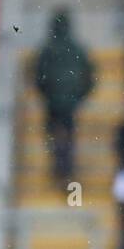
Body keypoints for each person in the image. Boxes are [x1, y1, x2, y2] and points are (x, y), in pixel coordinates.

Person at [34, 11, 95, 182]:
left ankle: (61, 168)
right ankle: (66, 169)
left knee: (55, 135)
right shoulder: (77, 48)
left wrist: (49, 95)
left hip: (54, 102)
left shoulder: (47, 49)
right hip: (69, 103)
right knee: (67, 136)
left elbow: (39, 77)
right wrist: (78, 96)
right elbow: (89, 76)